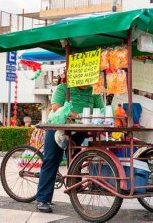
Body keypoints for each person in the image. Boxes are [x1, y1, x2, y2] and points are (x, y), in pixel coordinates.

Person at [36, 83, 104, 213]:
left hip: (79, 129)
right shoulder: (63, 88)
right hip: (57, 126)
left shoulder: (94, 92)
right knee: (51, 160)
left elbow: (101, 110)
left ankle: (74, 186)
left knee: (76, 158)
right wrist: (78, 116)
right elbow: (56, 107)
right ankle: (43, 199)